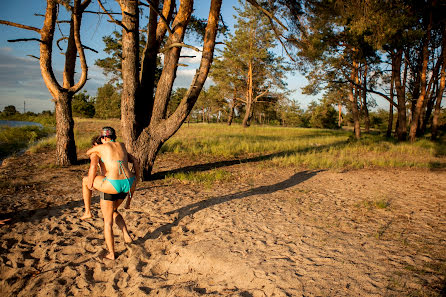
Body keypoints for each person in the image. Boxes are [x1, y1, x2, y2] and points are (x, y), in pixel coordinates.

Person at [82, 127, 140, 261]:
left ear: (103, 139)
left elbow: (91, 164)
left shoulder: (99, 150)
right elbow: (136, 161)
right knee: (113, 211)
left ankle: (111, 253)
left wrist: (91, 185)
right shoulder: (122, 146)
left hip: (111, 185)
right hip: (128, 184)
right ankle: (126, 235)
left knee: (107, 222)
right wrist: (137, 178)